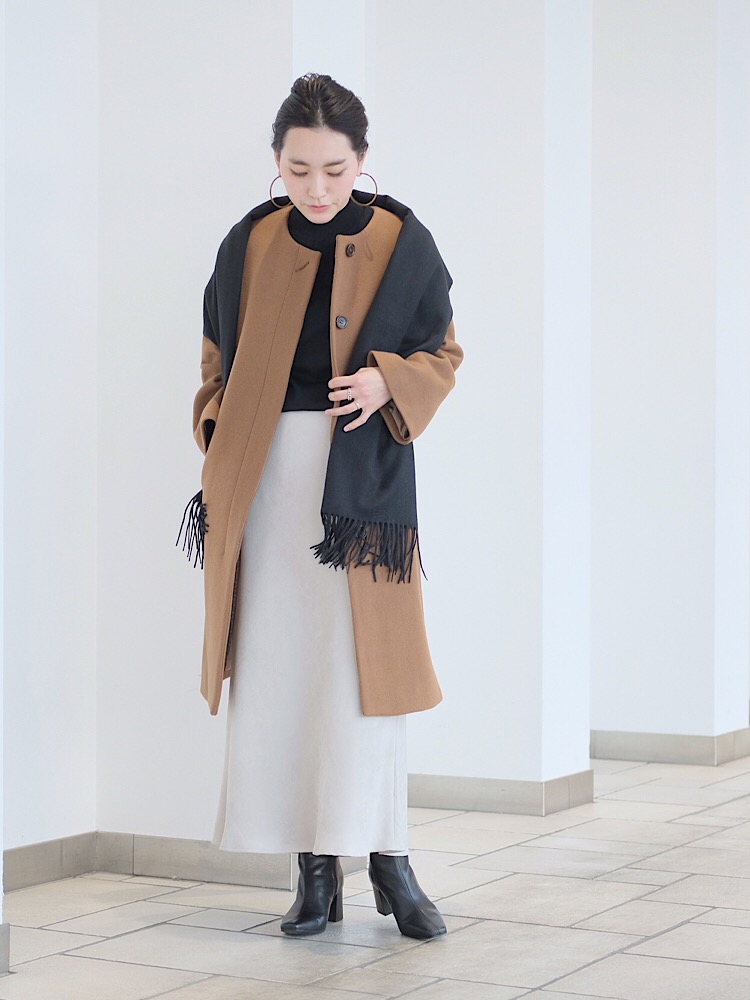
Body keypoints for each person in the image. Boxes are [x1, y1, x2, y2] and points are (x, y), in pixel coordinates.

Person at [184, 73, 462, 940]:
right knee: (281, 674)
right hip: (264, 484)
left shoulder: (401, 240)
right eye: (298, 169)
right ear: (276, 159)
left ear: (363, 159)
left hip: (362, 488)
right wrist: (218, 422)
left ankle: (389, 861)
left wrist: (388, 381)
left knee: (361, 681)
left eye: (335, 171)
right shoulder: (249, 243)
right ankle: (313, 873)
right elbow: (214, 363)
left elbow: (444, 353)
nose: (315, 188)